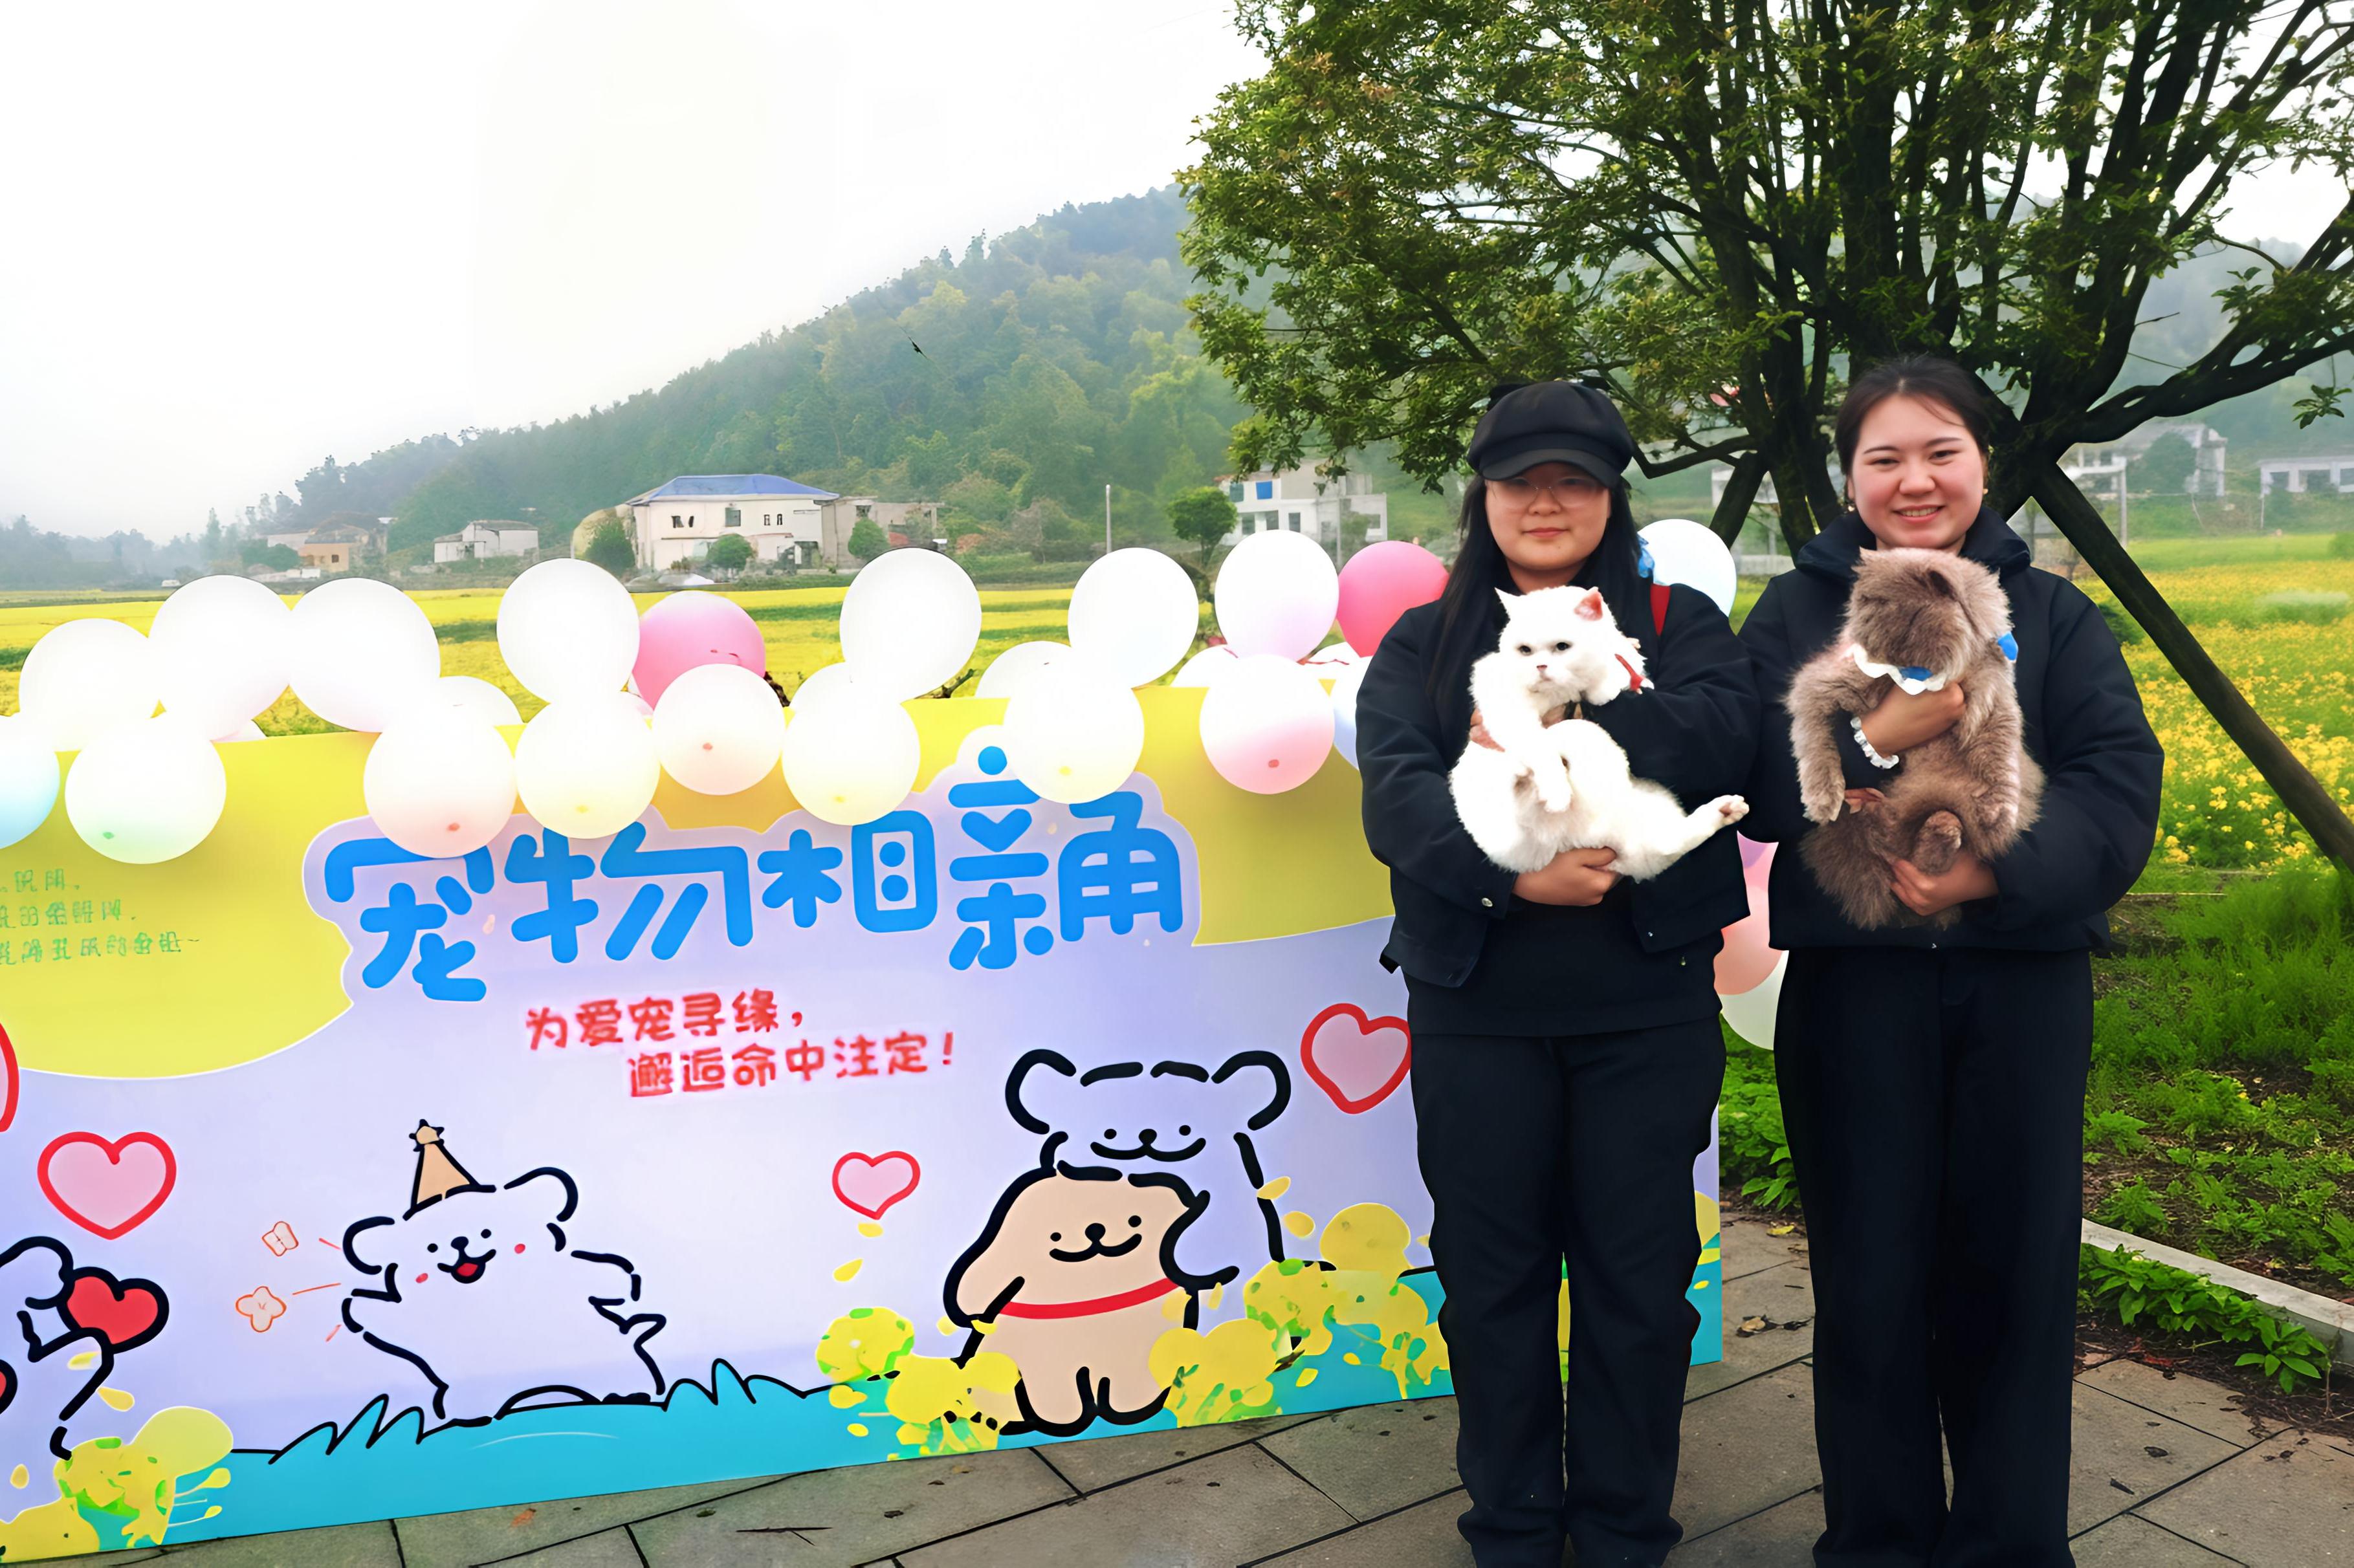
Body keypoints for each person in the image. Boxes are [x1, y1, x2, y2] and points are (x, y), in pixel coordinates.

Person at [1739, 356, 2163, 1567]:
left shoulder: (2052, 616)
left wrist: (1995, 875)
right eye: (1883, 458)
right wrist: (1872, 737)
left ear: (1984, 464)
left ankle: (2008, 1543)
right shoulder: (1794, 614)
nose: (1914, 480)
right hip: (1854, 991)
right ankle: (1874, 1540)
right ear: (1849, 479)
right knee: (1866, 1279)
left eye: (1941, 452)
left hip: (2020, 988)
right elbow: (1754, 776)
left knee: (2015, 1278)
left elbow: (2116, 780)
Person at [1356, 380, 1759, 1568]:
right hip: (1480, 1009)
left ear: (1610, 497)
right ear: (1481, 497)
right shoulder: (1427, 641)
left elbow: (1723, 737)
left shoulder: (1674, 624)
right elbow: (1396, 797)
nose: (1545, 501)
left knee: (1640, 1282)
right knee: (1493, 1282)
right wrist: (1511, 882)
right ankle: (1515, 1527)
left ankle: (1626, 1527)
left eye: (1573, 480)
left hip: (1646, 1009)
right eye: (1519, 480)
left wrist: (1578, 713)